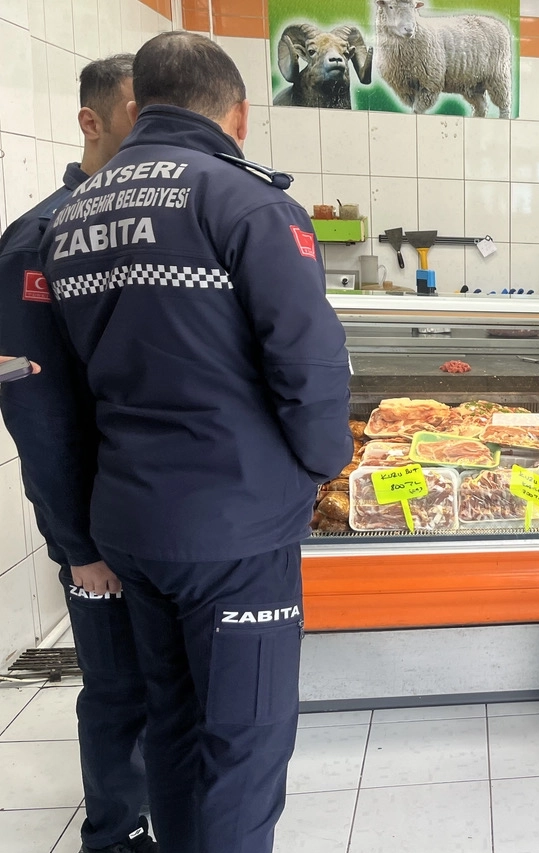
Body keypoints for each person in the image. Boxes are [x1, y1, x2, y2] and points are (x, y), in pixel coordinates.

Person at [39, 32, 353, 853]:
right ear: (238, 115)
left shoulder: (72, 217)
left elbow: (66, 386)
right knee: (243, 746)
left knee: (173, 725)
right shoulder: (246, 203)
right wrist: (324, 467)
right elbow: (309, 363)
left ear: (137, 106)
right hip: (233, 530)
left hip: (131, 521)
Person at [0, 55, 156, 853]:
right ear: (92, 123)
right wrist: (77, 546)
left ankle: (168, 813)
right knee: (118, 686)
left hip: (165, 515)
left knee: (165, 684)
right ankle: (117, 831)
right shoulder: (38, 239)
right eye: (139, 111)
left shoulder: (162, 220)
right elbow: (37, 410)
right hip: (100, 520)